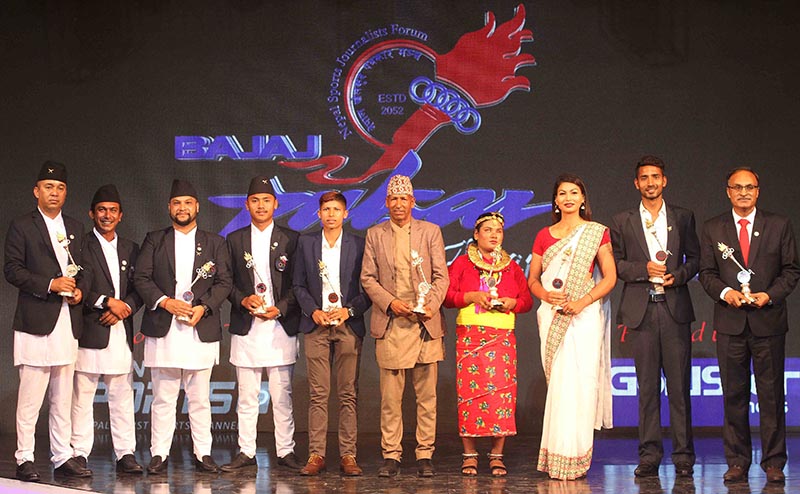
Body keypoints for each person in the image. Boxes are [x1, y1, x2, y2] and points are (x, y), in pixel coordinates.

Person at [698, 167, 800, 483]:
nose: (743, 192)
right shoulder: (713, 228)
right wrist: (727, 293)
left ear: (758, 191)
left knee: (770, 396)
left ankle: (773, 463)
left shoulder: (779, 225)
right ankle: (738, 461)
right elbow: (706, 273)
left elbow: (791, 270)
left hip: (768, 322)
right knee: (733, 395)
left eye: (750, 187)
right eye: (737, 187)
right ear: (727, 191)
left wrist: (768, 295)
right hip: (730, 324)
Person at [133, 179, 232, 474]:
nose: (182, 208)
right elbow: (141, 278)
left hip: (199, 327)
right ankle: (159, 454)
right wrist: (165, 302)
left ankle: (204, 453)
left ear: (197, 207)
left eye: (188, 203)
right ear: (169, 208)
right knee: (163, 397)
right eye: (177, 203)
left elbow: (224, 282)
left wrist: (204, 307)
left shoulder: (215, 242)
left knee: (200, 397)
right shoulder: (155, 239)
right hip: (165, 325)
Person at [610, 156, 699, 478]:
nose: (650, 182)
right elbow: (616, 265)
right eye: (644, 178)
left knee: (679, 389)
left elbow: (697, 258)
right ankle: (649, 455)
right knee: (647, 390)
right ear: (636, 183)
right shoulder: (622, 220)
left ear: (665, 181)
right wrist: (642, 270)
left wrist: (680, 274)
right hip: (641, 311)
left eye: (656, 177)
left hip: (674, 308)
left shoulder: (683, 217)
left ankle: (684, 456)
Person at [4, 161, 92, 481]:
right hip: (36, 320)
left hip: (67, 321)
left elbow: (82, 269)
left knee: (62, 394)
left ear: (66, 193)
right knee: (31, 396)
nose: (54, 193)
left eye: (60, 188)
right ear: (36, 191)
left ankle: (62, 456)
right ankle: (24, 457)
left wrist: (79, 291)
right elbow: (12, 269)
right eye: (48, 187)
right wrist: (50, 284)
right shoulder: (22, 225)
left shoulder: (74, 226)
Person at [527, 173, 617, 480]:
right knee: (560, 386)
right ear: (555, 200)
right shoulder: (543, 235)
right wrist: (546, 296)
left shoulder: (595, 233)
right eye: (562, 193)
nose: (568, 197)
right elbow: (533, 281)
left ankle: (576, 456)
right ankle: (555, 455)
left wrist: (583, 301)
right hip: (553, 315)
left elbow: (609, 277)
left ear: (582, 199)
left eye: (574, 192)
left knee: (580, 383)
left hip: (584, 316)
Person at [361, 174, 449, 478]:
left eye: (404, 199)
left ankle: (425, 453)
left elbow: (442, 276)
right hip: (392, 322)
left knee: (427, 397)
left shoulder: (430, 232)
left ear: (412, 202)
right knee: (391, 398)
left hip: (425, 323)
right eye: (393, 199)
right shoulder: (375, 234)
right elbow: (368, 278)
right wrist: (390, 303)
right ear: (386, 203)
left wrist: (429, 305)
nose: (399, 205)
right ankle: (392, 455)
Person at [221, 176, 302, 472]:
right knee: (247, 394)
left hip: (280, 325)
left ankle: (286, 450)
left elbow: (298, 283)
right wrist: (243, 300)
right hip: (247, 324)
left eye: (266, 200)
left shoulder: (292, 239)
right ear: (247, 205)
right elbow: (225, 282)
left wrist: (279, 308)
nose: (261, 205)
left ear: (276, 204)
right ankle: (246, 450)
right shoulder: (235, 239)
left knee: (282, 394)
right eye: (255, 200)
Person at [443, 211, 532, 477]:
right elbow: (446, 296)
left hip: (502, 338)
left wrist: (513, 303)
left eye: (499, 231)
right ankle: (469, 454)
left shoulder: (511, 266)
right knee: (470, 396)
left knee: (500, 397)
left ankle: (497, 454)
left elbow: (527, 300)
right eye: (488, 230)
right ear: (476, 234)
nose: (494, 235)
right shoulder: (461, 264)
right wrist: (469, 296)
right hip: (471, 336)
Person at [292, 191, 371, 476]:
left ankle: (348, 455)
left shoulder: (359, 245)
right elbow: (298, 285)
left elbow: (368, 289)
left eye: (336, 209)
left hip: (348, 325)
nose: (331, 214)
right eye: (326, 209)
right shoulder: (306, 243)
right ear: (319, 214)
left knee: (348, 393)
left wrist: (349, 311)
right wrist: (313, 310)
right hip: (316, 325)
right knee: (318, 393)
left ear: (345, 214)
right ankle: (317, 454)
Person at [71, 184, 144, 474]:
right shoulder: (80, 246)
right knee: (82, 395)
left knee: (121, 396)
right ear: (91, 213)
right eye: (102, 210)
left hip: (120, 331)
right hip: (91, 329)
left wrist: (124, 307)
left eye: (113, 210)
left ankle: (125, 453)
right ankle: (79, 452)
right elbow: (77, 288)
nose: (107, 215)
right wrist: (106, 303)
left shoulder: (131, 248)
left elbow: (141, 289)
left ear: (121, 215)